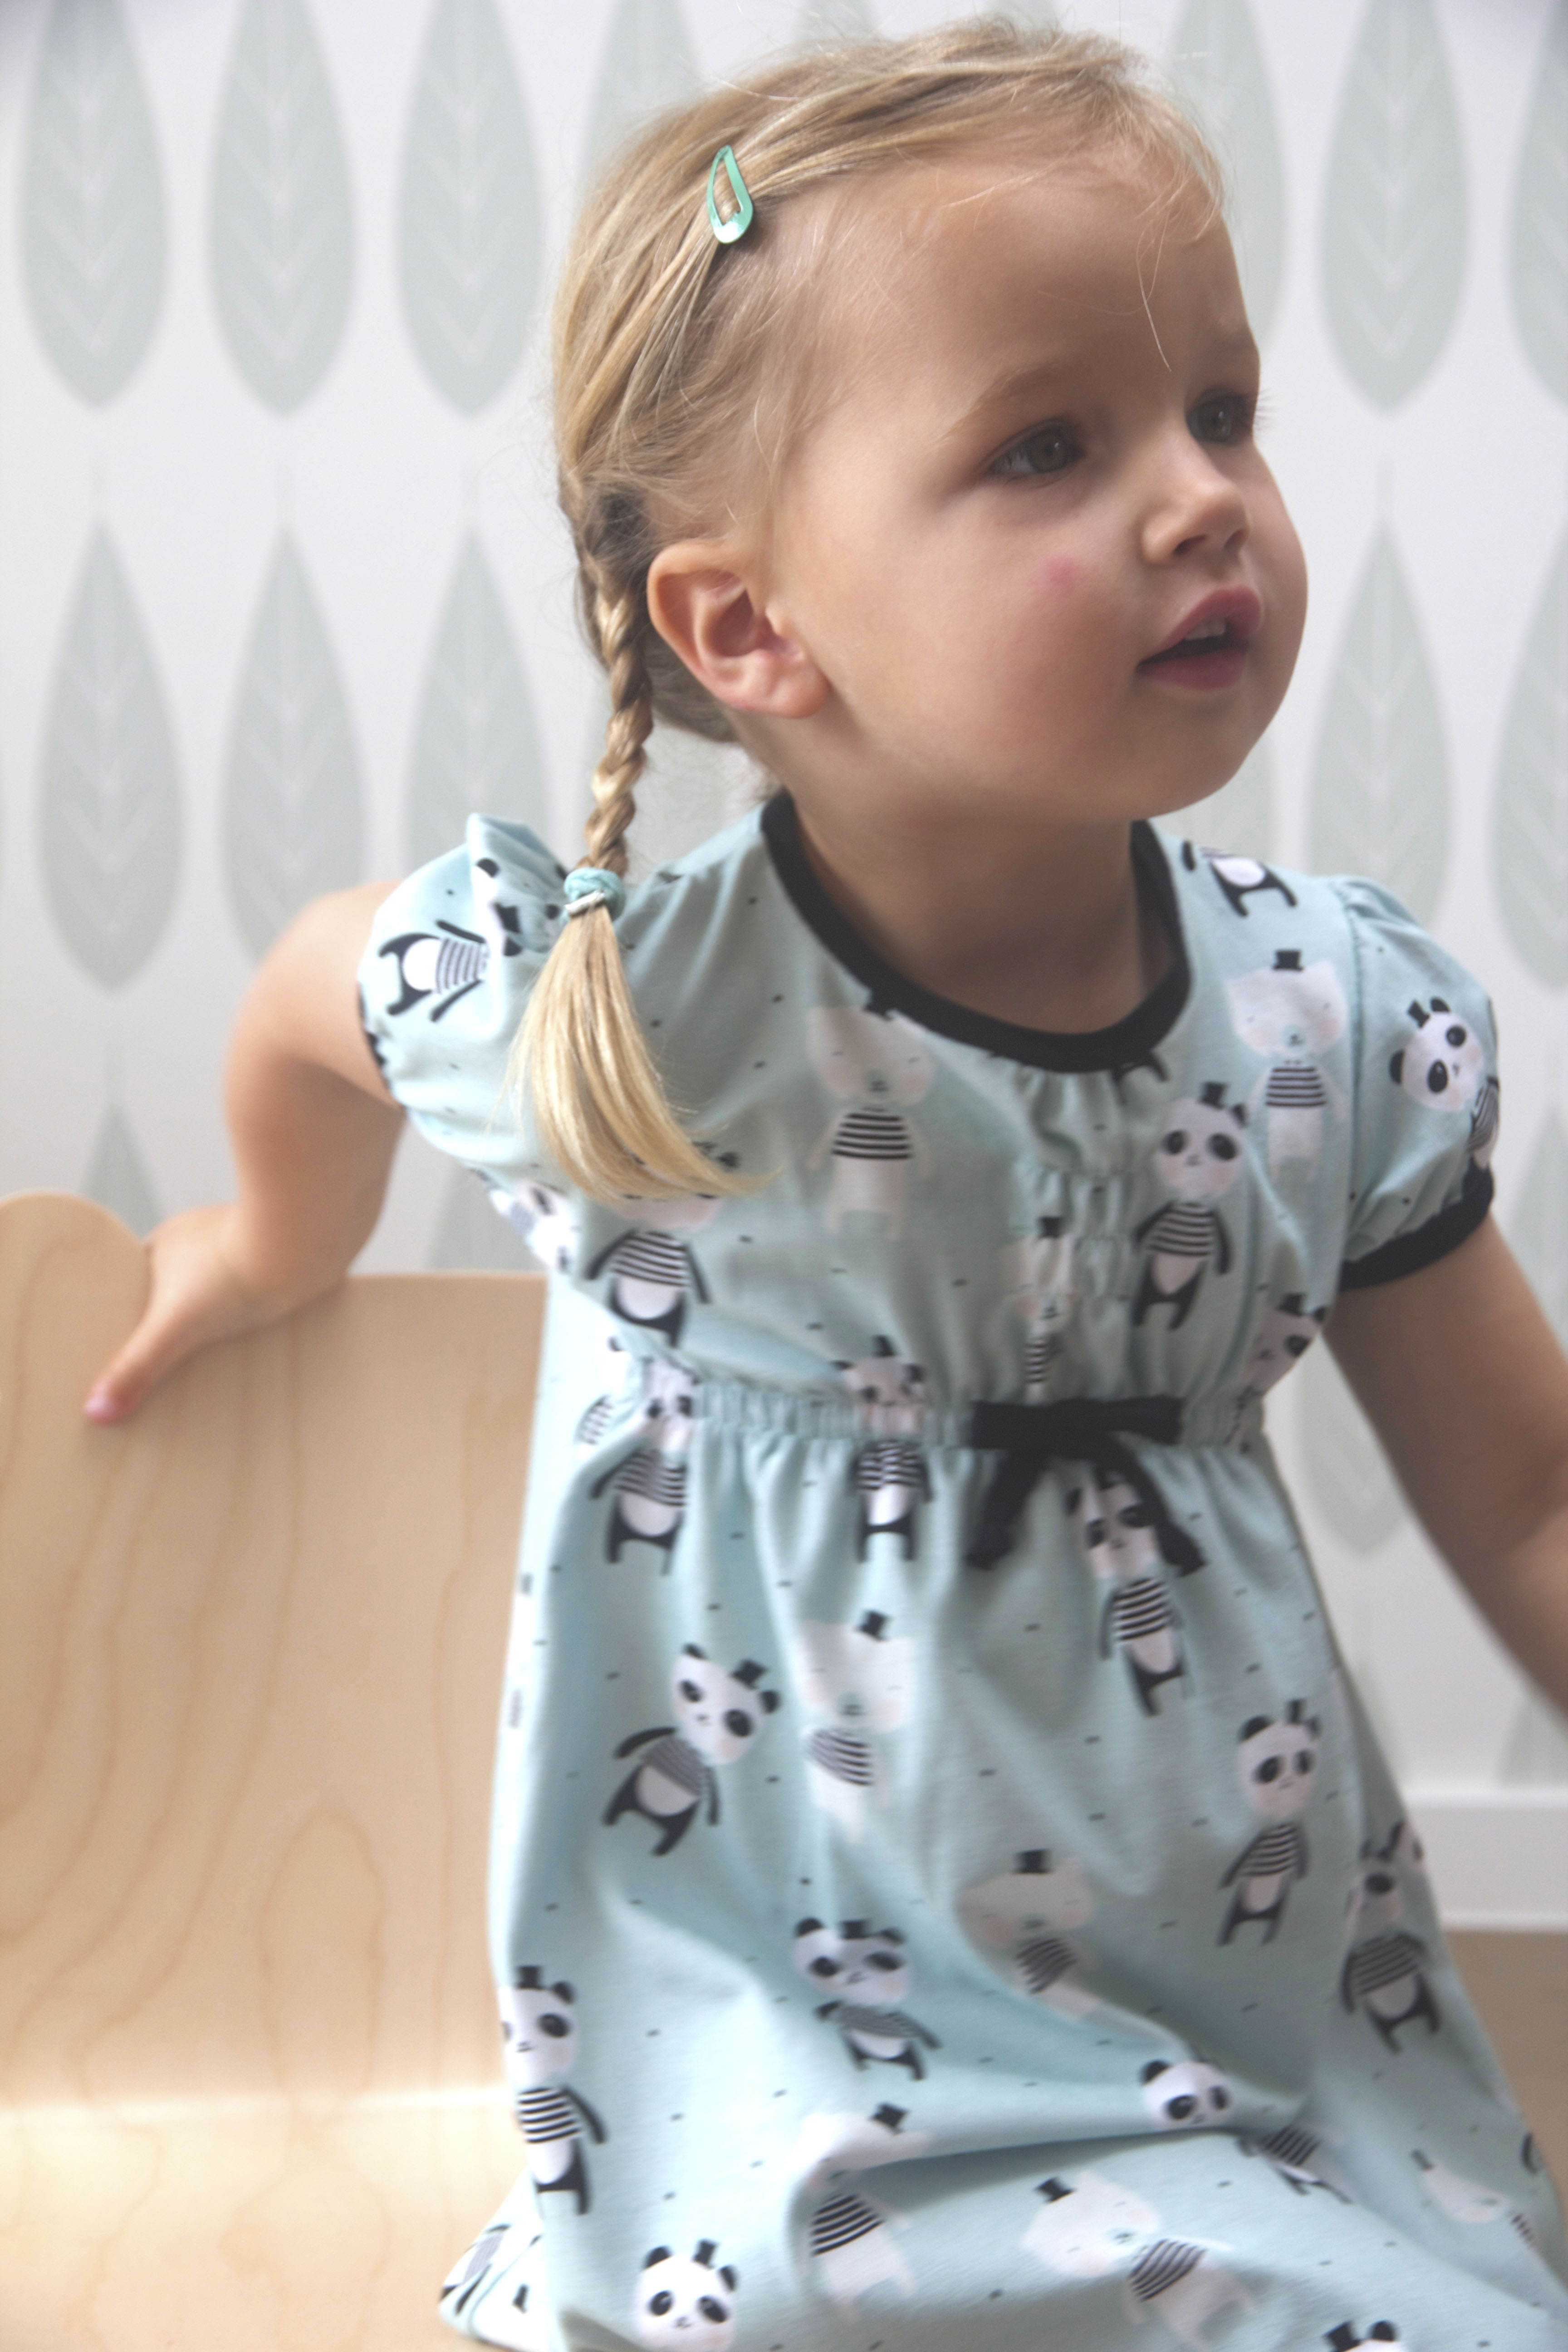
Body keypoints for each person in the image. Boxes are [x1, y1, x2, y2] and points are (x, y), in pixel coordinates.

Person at [88, 21, 1568, 2350]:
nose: (1203, 500)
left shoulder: (1336, 1026)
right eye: (1050, 445)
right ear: (749, 626)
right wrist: (275, 1240)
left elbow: (1531, 1500)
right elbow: (307, 994)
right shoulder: (622, 1026)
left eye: (1223, 412)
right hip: (773, 2068)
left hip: (1242, 2033)